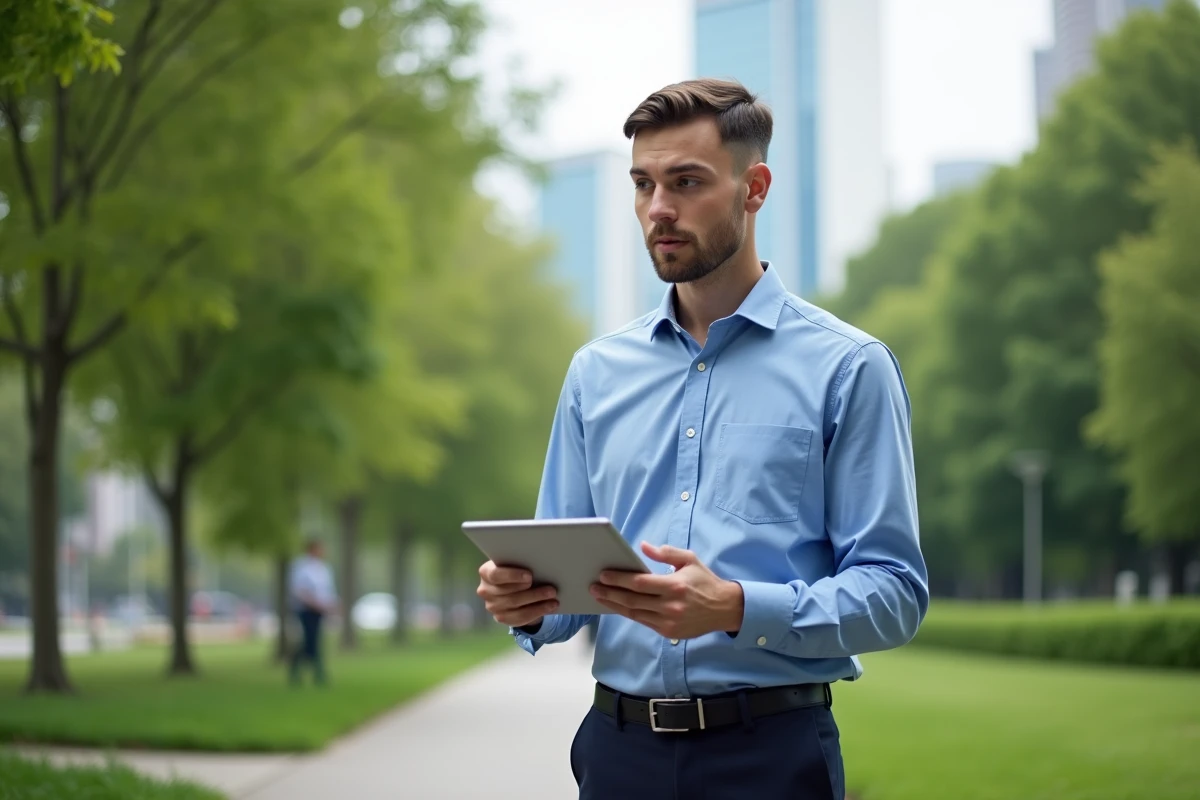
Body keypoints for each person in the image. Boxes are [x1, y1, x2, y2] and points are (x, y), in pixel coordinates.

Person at [476, 78, 929, 800]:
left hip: (771, 757)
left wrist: (738, 607)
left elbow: (895, 593)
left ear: (755, 188)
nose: (659, 209)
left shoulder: (848, 368)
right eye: (643, 184)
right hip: (616, 754)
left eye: (686, 182)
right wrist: (526, 599)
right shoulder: (596, 373)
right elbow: (564, 596)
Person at [288, 538, 338, 686]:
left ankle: (316, 673)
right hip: (306, 610)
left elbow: (327, 591)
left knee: (315, 641)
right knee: (310, 641)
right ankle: (309, 671)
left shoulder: (323, 568)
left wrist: (331, 604)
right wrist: (314, 603)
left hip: (320, 610)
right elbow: (299, 590)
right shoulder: (302, 567)